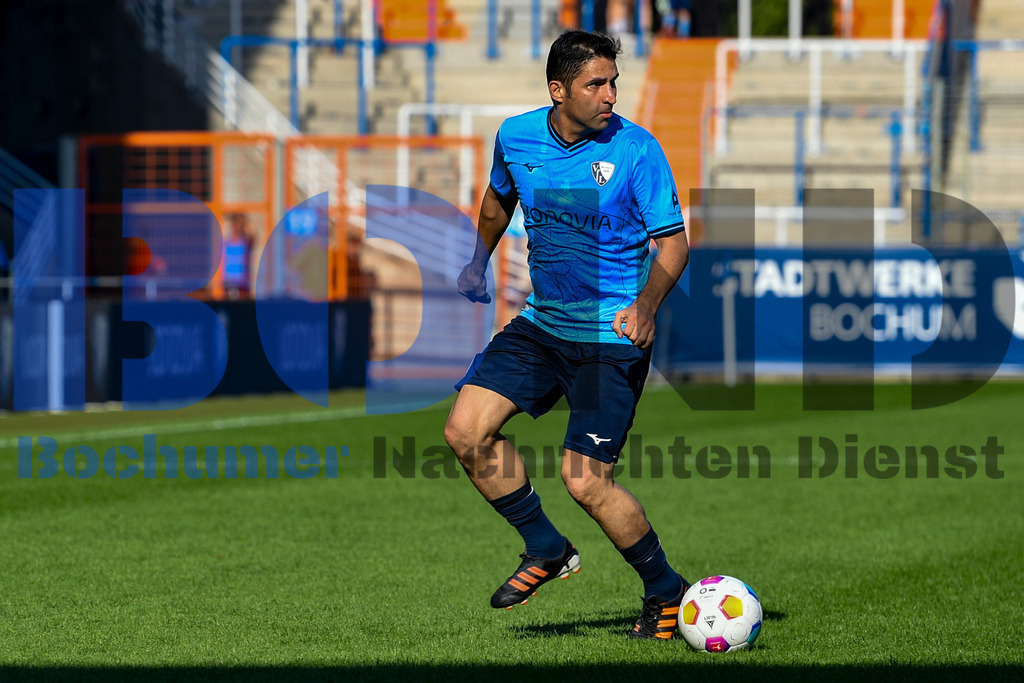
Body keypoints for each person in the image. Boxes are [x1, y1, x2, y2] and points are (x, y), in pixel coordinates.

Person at [444, 30, 691, 640]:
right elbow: (499, 199)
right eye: (595, 84)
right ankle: (545, 548)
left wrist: (647, 305)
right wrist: (478, 260)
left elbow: (674, 242)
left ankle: (666, 590)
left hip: (609, 336)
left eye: (613, 83)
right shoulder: (516, 135)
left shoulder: (637, 149)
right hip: (543, 322)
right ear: (559, 90)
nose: (610, 95)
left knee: (585, 481)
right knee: (465, 432)